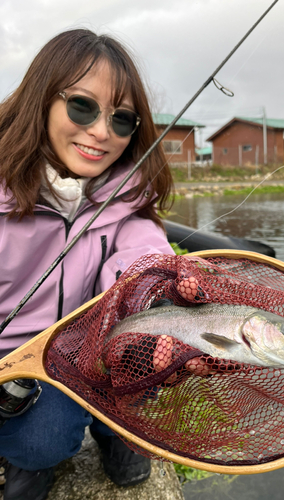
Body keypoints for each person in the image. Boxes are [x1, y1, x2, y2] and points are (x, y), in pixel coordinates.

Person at [0, 28, 177, 500]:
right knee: (40, 442)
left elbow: (142, 249)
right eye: (83, 106)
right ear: (42, 100)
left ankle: (116, 432)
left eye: (123, 120)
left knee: (145, 351)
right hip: (15, 361)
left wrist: (151, 290)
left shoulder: (127, 196)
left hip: (87, 348)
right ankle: (30, 458)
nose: (102, 131)